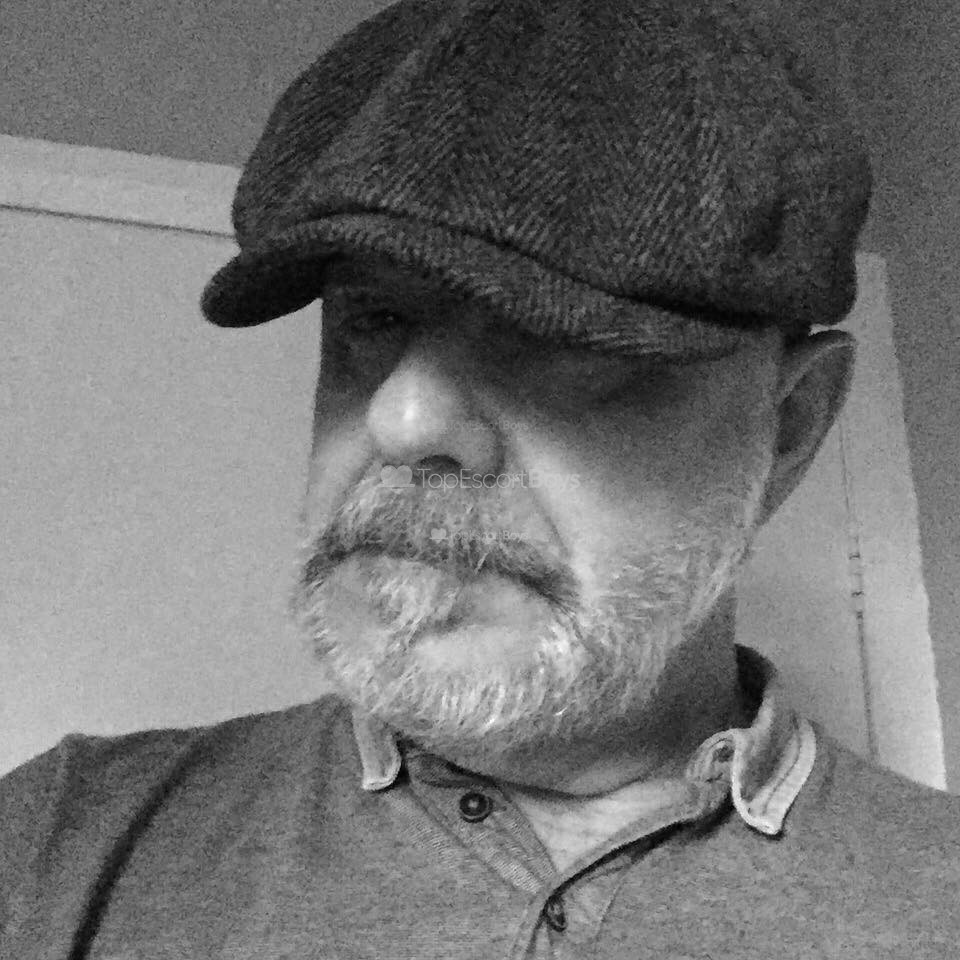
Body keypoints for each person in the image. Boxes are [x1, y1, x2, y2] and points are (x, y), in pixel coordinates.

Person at [3, 0, 958, 956]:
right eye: (371, 320)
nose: (401, 420)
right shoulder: (58, 844)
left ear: (791, 426)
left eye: (553, 335)